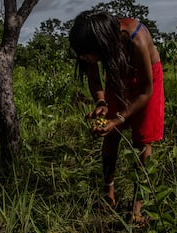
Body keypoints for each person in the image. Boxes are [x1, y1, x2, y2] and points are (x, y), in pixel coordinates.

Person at [69, 10, 165, 224]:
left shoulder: (135, 40)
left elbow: (145, 92)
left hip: (146, 81)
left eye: (85, 54)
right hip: (117, 73)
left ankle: (137, 207)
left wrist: (118, 118)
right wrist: (102, 103)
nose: (82, 58)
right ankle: (108, 194)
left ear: (101, 45)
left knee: (143, 140)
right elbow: (94, 79)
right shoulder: (92, 41)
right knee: (111, 136)